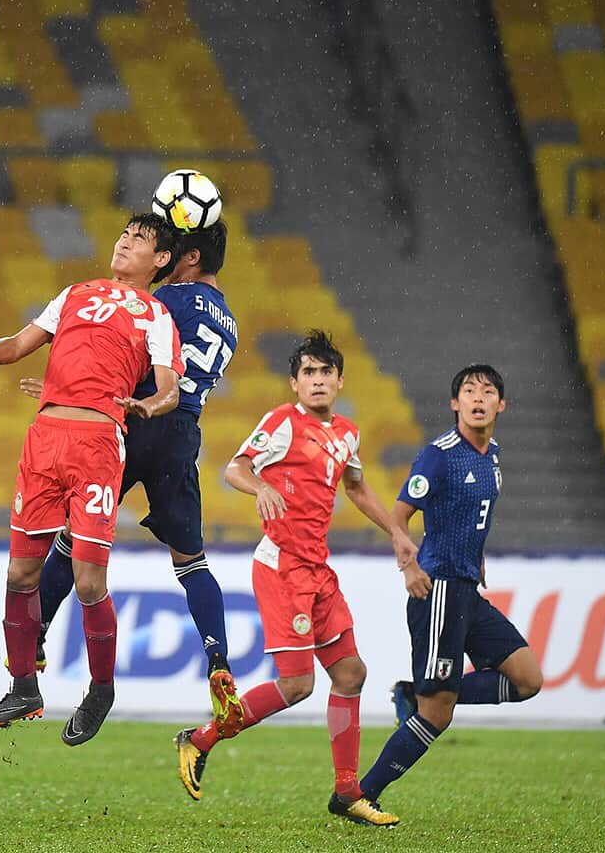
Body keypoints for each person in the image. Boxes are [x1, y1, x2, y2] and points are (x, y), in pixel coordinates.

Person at [0, 214, 183, 745]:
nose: (124, 243)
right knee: (19, 575)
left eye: (139, 241)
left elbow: (170, 389)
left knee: (87, 581)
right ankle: (23, 687)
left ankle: (101, 690)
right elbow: (20, 342)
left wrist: (146, 406)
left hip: (99, 446)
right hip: (45, 439)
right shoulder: (74, 293)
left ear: (161, 261)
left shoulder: (155, 315)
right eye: (122, 235)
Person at [174, 329, 409, 828]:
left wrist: (396, 533)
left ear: (340, 381)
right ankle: (200, 738)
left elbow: (357, 487)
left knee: (351, 674)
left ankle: (348, 792)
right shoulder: (282, 422)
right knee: (298, 684)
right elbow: (235, 469)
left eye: (326, 372)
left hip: (318, 569)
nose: (318, 380)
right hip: (281, 566)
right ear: (294, 383)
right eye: (309, 372)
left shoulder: (347, 434)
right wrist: (259, 486)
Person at [25, 221, 245, 737]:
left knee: (74, 532)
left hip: (131, 418)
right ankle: (219, 661)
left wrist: (72, 392)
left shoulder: (164, 301)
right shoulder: (230, 321)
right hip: (182, 434)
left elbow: (127, 349)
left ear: (183, 258)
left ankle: (34, 636)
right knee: (191, 562)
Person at [357, 364, 543, 808]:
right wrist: (409, 567)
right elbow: (400, 516)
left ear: (502, 404)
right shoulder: (439, 455)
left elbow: (475, 513)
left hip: (464, 588)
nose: (478, 398)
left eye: (488, 391)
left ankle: (417, 689)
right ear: (455, 403)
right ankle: (361, 795)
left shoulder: (492, 453)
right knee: (437, 715)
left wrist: (475, 557)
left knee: (527, 679)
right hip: (437, 588)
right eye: (468, 390)